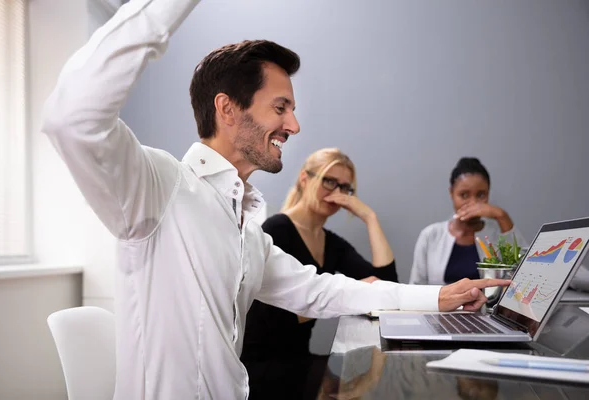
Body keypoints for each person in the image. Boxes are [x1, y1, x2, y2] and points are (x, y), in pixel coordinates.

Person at [42, 1, 509, 398]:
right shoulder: (158, 186)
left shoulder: (245, 226)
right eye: (280, 107)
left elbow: (325, 289)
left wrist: (439, 296)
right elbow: (72, 118)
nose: (294, 125)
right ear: (227, 109)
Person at [241, 148, 398, 399]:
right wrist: (347, 298)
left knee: (370, 382)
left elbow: (386, 283)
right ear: (305, 178)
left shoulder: (330, 243)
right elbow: (274, 317)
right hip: (262, 365)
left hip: (298, 359)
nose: (336, 193)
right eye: (329, 181)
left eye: (345, 188)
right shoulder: (276, 230)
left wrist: (370, 217)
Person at [410, 157, 526, 285]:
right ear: (451, 193)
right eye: (464, 195)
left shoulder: (497, 233)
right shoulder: (431, 235)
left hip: (487, 304)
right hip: (441, 305)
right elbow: (416, 288)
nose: (473, 203)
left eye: (481, 195)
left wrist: (502, 215)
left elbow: (523, 274)